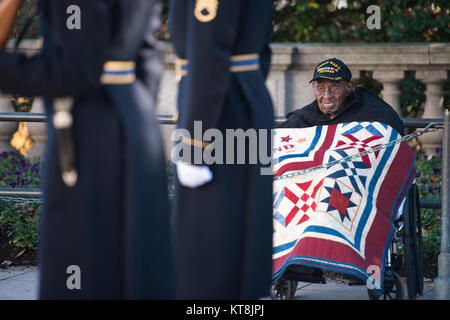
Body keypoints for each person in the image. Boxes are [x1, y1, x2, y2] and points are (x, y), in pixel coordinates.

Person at [0, 0, 172, 299]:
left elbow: (71, 70)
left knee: (81, 261)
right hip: (136, 120)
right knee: (133, 265)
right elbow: (148, 54)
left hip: (90, 130)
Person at [169, 0, 275, 299]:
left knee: (208, 252)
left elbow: (208, 52)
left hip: (216, 115)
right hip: (246, 100)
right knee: (245, 242)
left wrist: (193, 145)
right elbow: (261, 51)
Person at [278, 58, 405, 136]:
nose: (327, 96)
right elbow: (271, 140)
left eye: (334, 88)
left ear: (349, 87)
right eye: (321, 89)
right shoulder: (306, 116)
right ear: (314, 88)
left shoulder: (371, 111)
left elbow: (394, 138)